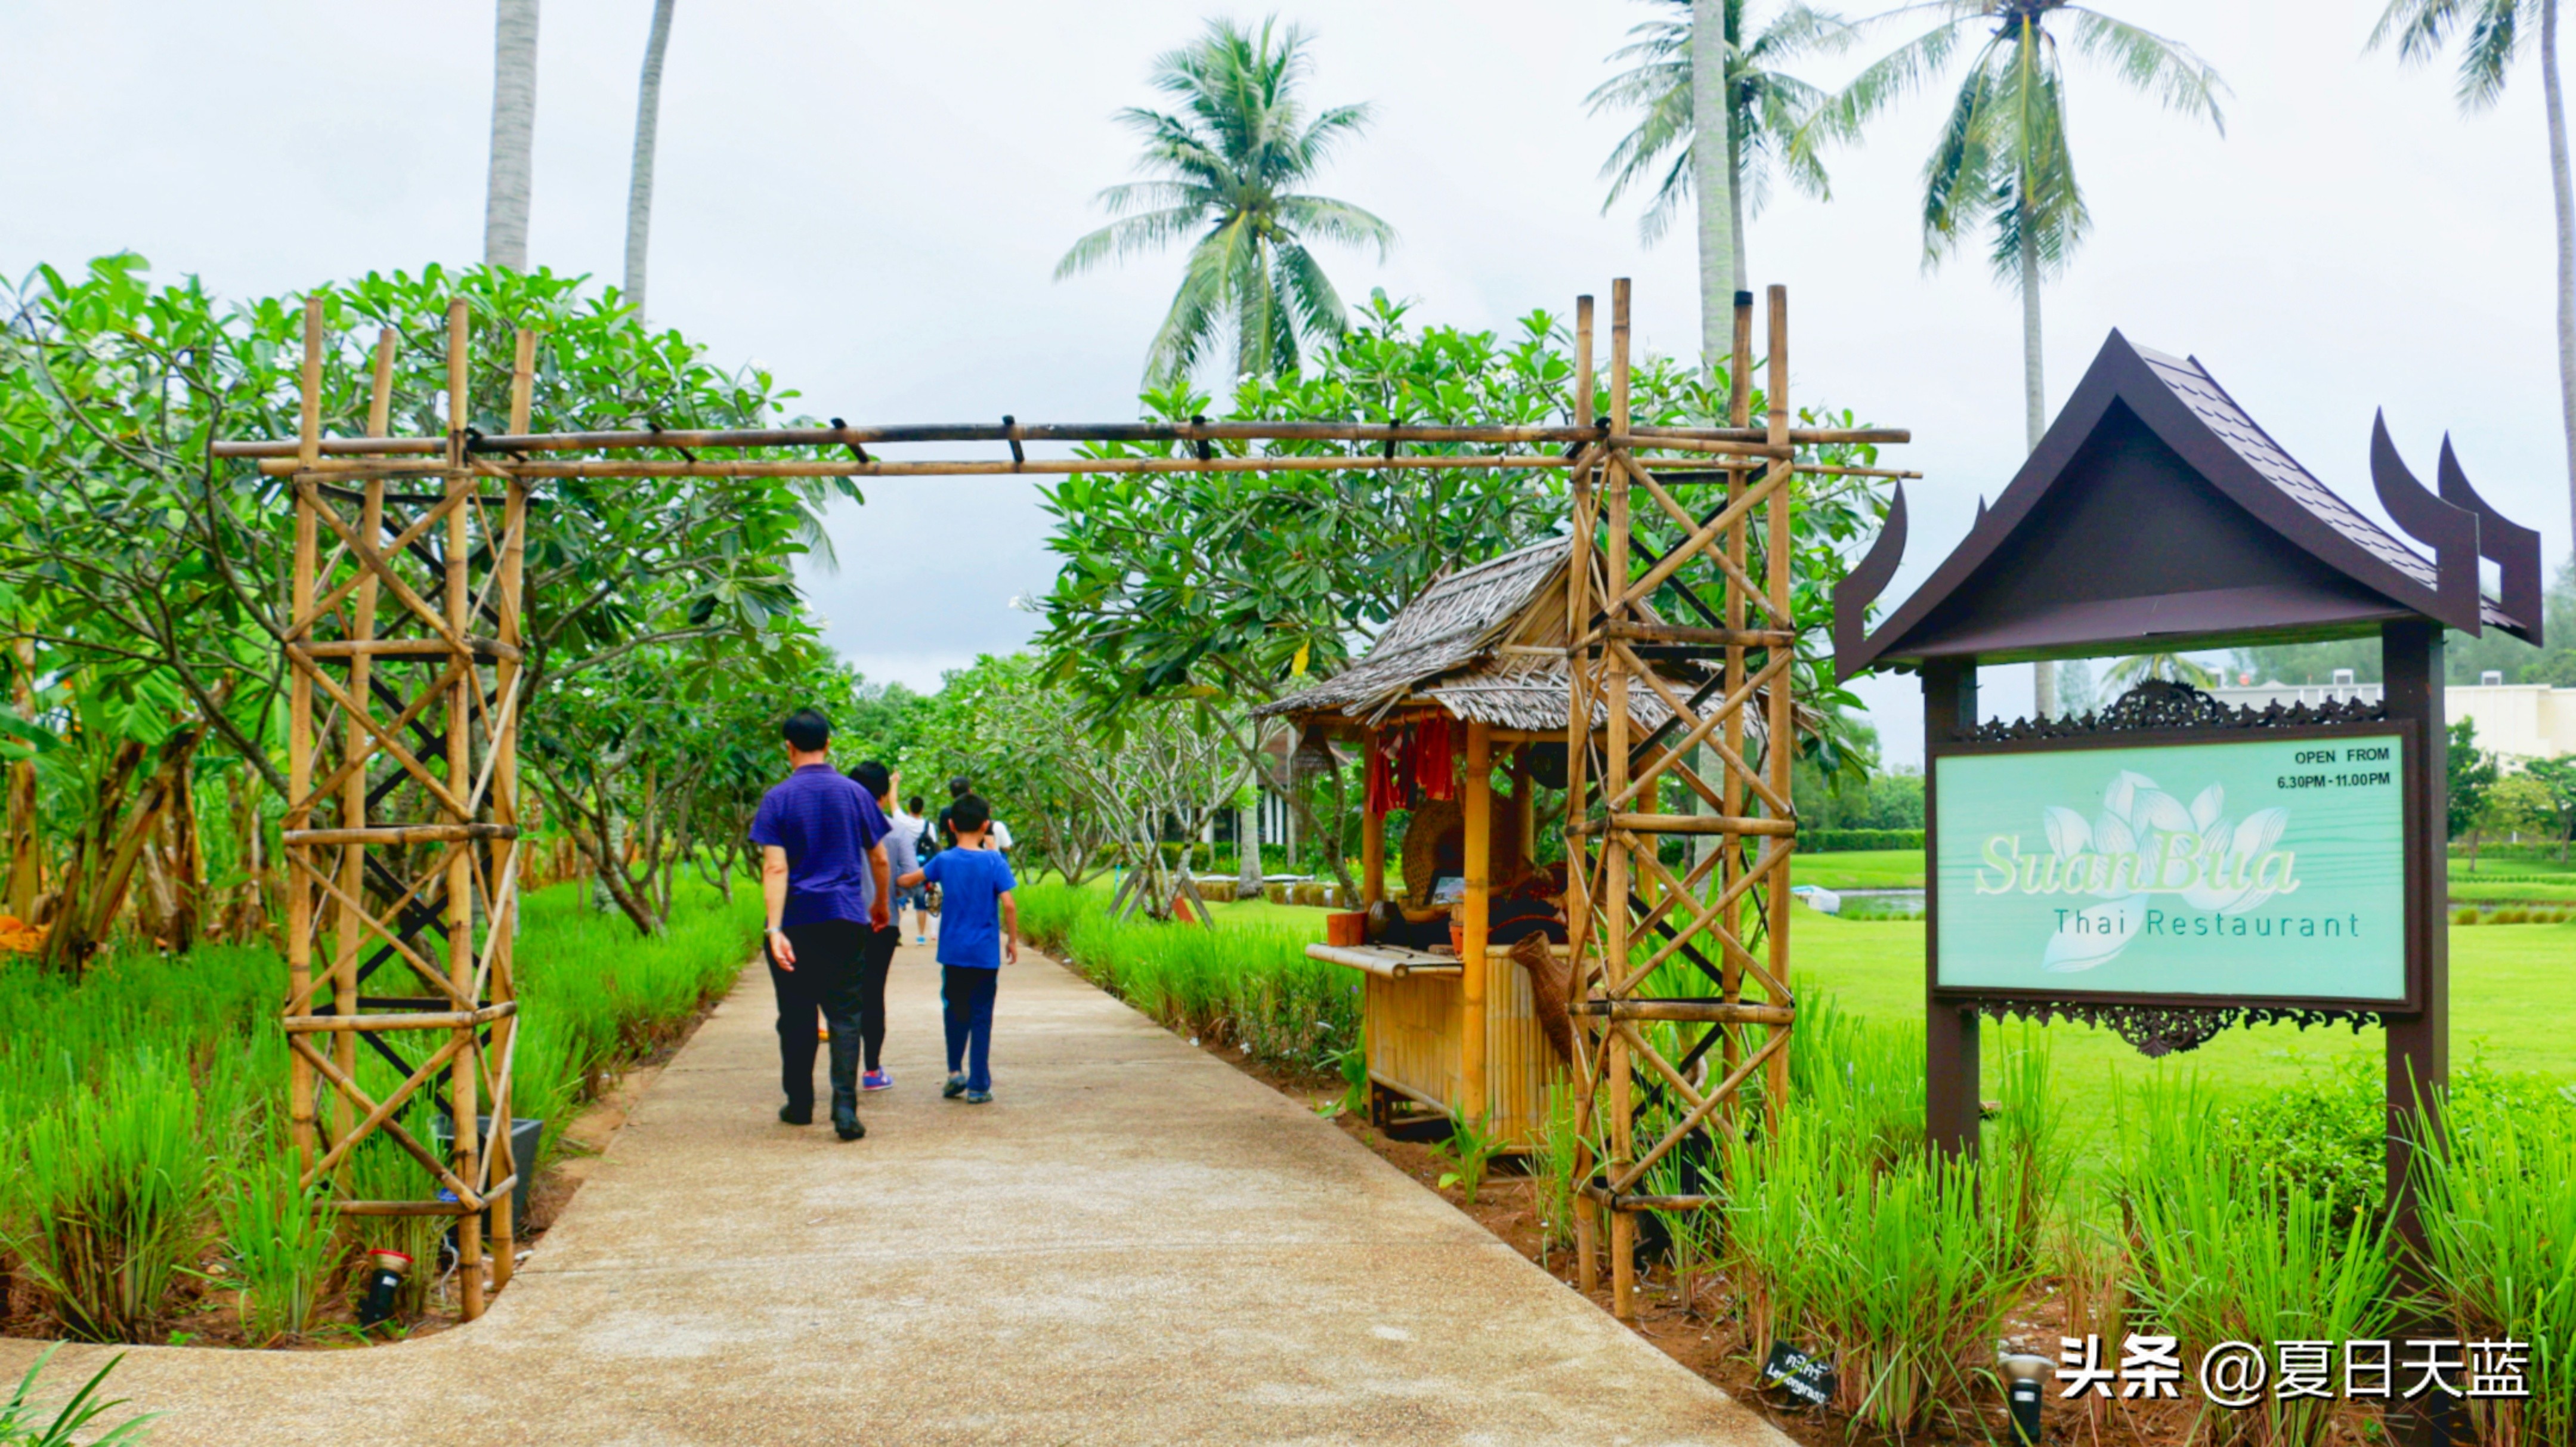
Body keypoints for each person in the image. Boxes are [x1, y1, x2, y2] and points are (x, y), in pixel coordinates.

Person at [750, 709, 889, 1141]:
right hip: (846, 916)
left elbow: (775, 869)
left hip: (795, 923)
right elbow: (879, 857)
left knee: (796, 1015)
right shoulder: (854, 793)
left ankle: (799, 1104)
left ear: (787, 747)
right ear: (828, 743)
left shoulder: (777, 799)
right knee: (846, 1013)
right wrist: (880, 905)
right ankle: (845, 1109)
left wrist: (775, 930)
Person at [896, 793, 1016, 1105]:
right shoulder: (994, 861)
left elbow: (911, 879)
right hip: (985, 955)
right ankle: (979, 1085)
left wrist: (884, 874)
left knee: (955, 1010)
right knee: (981, 1016)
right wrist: (1012, 941)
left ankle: (954, 1073)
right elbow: (1009, 903)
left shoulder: (945, 860)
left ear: (950, 824)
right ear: (986, 824)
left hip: (953, 953)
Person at [847, 760, 914, 1093]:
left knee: (843, 996)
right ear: (885, 796)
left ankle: (842, 1074)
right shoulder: (896, 831)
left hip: (842, 921)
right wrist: (895, 890)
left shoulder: (839, 828)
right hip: (882, 925)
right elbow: (910, 878)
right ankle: (872, 1071)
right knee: (873, 993)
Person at [903, 793, 936, 942]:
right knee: (921, 902)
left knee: (900, 899)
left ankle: (896, 932)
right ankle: (921, 935)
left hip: (904, 865)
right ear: (922, 809)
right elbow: (934, 846)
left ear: (909, 808)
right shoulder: (928, 826)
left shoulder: (902, 822)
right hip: (921, 867)